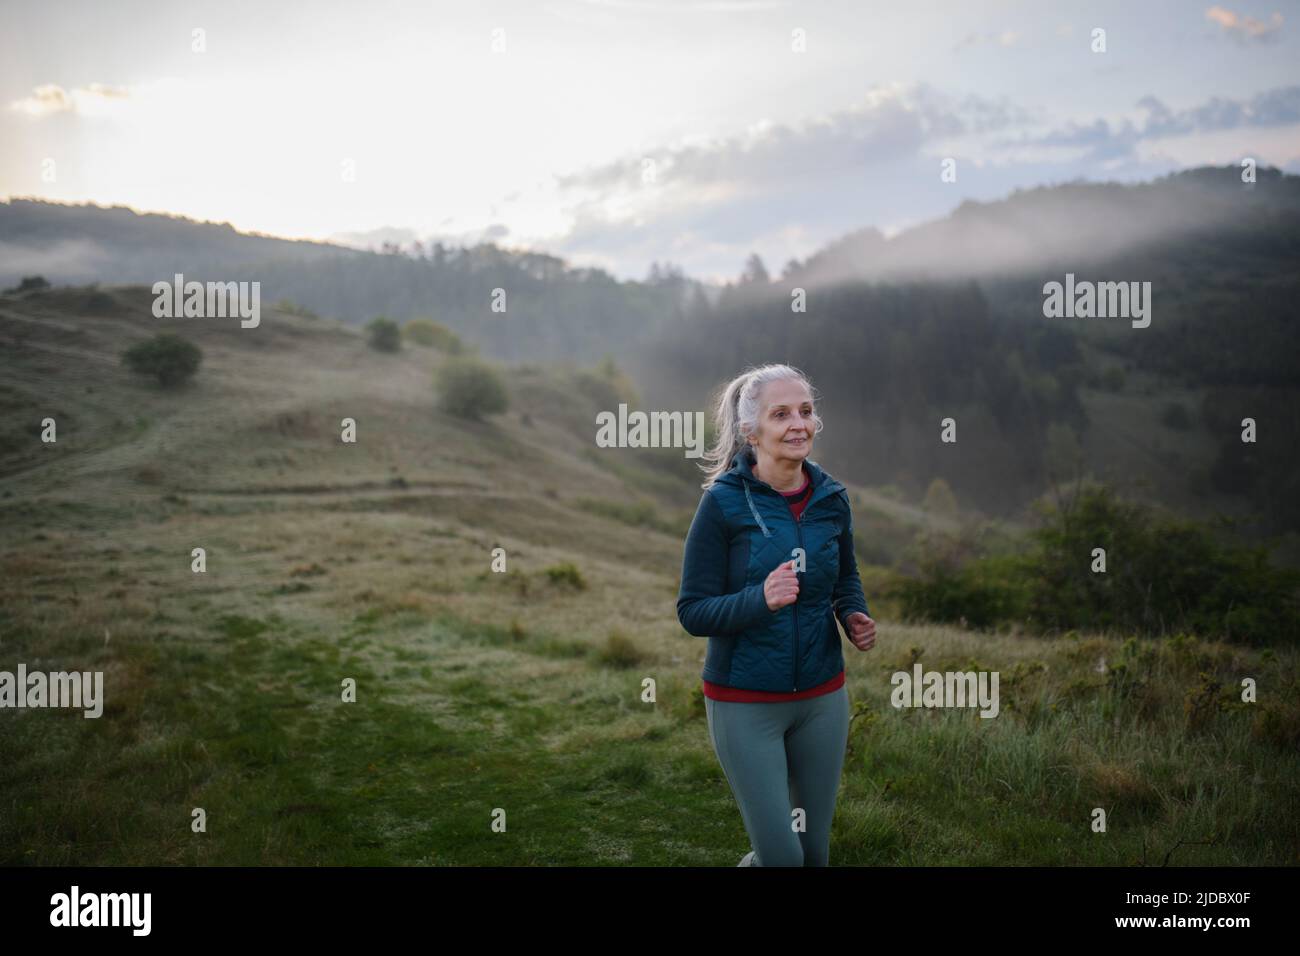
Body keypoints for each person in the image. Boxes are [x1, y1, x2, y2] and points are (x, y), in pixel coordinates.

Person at [677, 363, 877, 866]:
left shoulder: (832, 498)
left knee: (814, 855)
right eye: (781, 414)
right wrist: (758, 599)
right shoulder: (722, 503)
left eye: (806, 412)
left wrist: (852, 613)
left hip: (822, 699)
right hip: (744, 703)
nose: (798, 425)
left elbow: (845, 576)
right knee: (782, 859)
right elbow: (692, 611)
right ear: (751, 430)